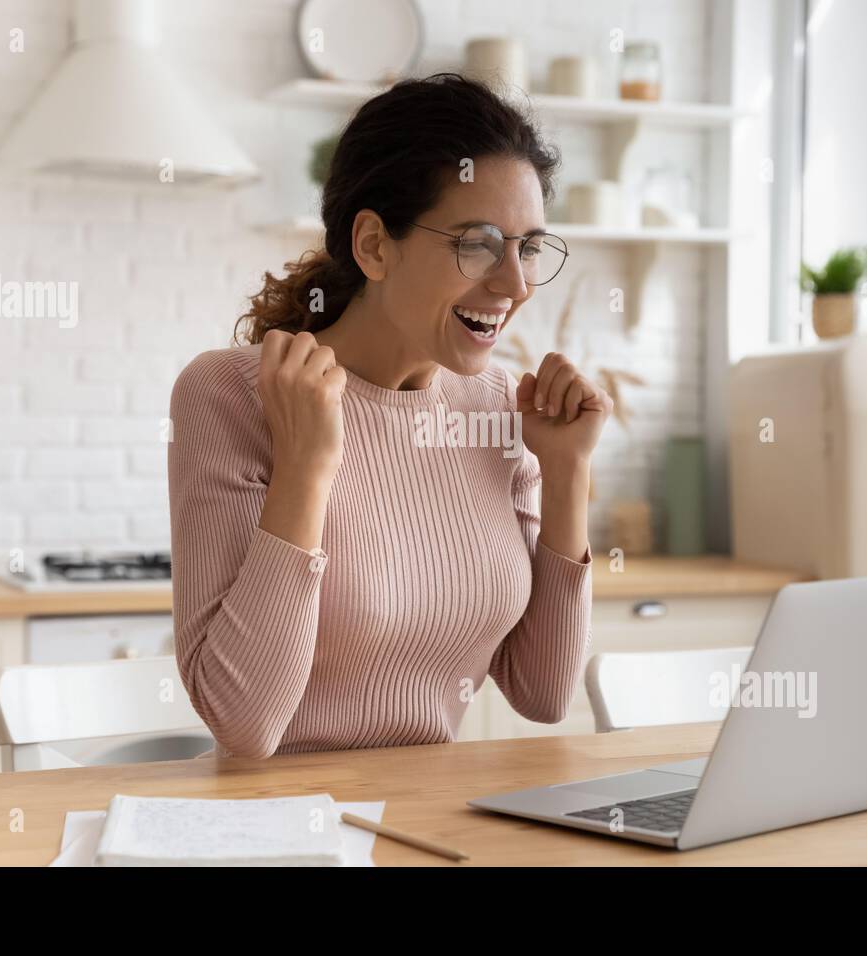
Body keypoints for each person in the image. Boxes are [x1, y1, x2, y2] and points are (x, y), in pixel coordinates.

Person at [167, 74, 612, 759]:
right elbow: (245, 723)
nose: (514, 284)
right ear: (374, 245)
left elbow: (543, 693)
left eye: (526, 247)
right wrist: (307, 469)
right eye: (478, 244)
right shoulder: (233, 394)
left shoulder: (497, 408)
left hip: (434, 827)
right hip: (278, 831)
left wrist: (566, 470)